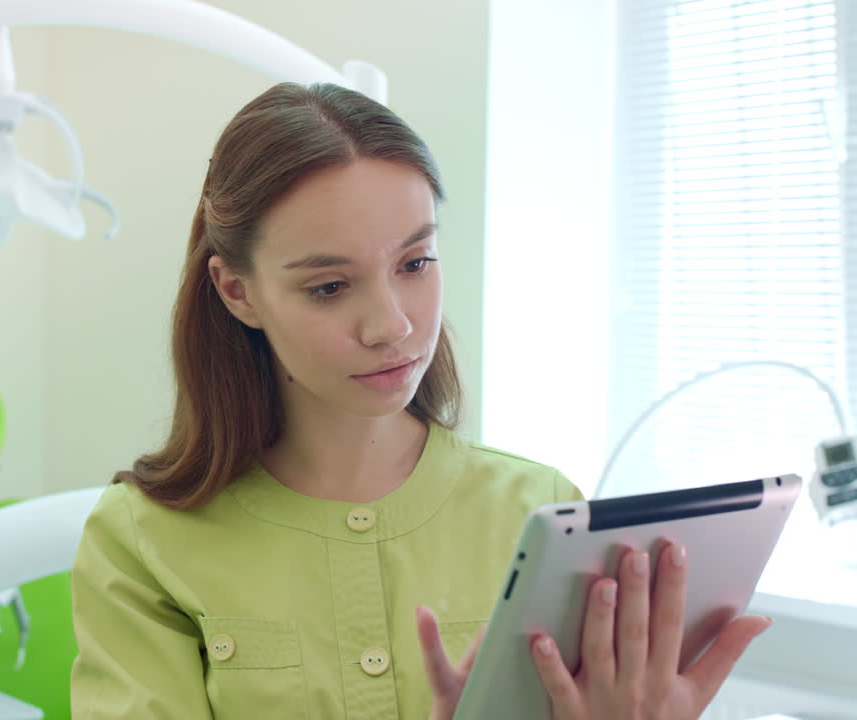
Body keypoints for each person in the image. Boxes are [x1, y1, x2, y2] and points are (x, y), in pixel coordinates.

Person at [68, 82, 771, 719]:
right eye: (329, 287)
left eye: (414, 264)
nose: (394, 325)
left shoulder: (543, 514)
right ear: (237, 292)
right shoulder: (141, 544)